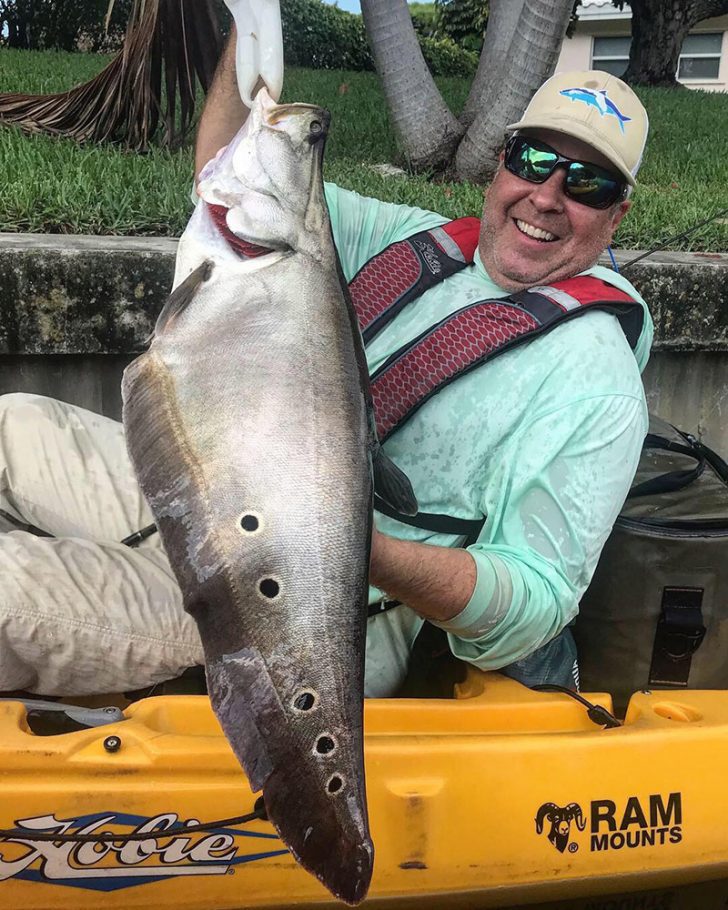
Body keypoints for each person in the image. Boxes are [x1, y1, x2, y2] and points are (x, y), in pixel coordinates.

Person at [0, 46, 652, 698]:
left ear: (617, 212)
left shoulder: (597, 381)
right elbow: (234, 180)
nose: (546, 196)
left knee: (11, 590)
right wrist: (249, 35)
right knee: (13, 423)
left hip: (311, 610)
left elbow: (536, 605)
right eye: (534, 160)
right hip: (217, 490)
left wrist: (349, 546)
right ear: (501, 165)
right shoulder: (412, 240)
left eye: (587, 183)